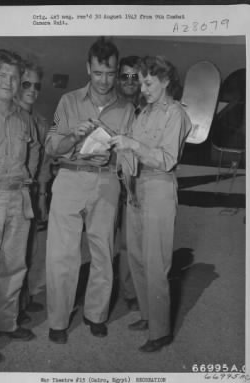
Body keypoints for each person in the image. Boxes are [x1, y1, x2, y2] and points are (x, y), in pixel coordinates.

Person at [45, 37, 135, 344]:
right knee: (61, 255)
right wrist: (72, 135)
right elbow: (51, 147)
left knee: (103, 251)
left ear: (117, 71)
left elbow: (129, 156)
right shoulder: (68, 102)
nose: (104, 80)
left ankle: (95, 314)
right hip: (69, 179)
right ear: (88, 68)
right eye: (98, 73)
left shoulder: (127, 108)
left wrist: (117, 155)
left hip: (106, 181)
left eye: (110, 73)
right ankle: (58, 319)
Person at [109, 56, 192, 352]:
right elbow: (132, 153)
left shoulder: (175, 114)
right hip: (136, 188)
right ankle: (147, 316)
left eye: (148, 82)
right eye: (140, 82)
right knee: (137, 259)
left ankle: (161, 332)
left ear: (166, 81)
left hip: (159, 187)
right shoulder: (143, 113)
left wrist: (133, 145)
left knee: (156, 264)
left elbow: (167, 159)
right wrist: (120, 153)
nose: (142, 88)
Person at [0, 49, 40, 366]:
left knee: (14, 268)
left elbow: (30, 162)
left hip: (18, 197)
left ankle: (6, 322)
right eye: (2, 74)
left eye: (14, 76)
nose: (9, 81)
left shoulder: (24, 118)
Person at [16, 58, 50, 324]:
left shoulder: (39, 120)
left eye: (36, 86)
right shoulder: (11, 116)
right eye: (26, 83)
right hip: (14, 192)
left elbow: (44, 165)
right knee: (12, 255)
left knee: (29, 250)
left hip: (33, 193)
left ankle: (22, 300)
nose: (32, 90)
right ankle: (10, 308)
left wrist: (41, 199)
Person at [116, 56, 142, 311]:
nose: (130, 82)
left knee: (129, 241)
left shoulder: (148, 108)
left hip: (133, 180)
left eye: (135, 76)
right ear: (117, 78)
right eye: (125, 76)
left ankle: (129, 291)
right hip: (107, 178)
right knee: (99, 240)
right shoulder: (109, 105)